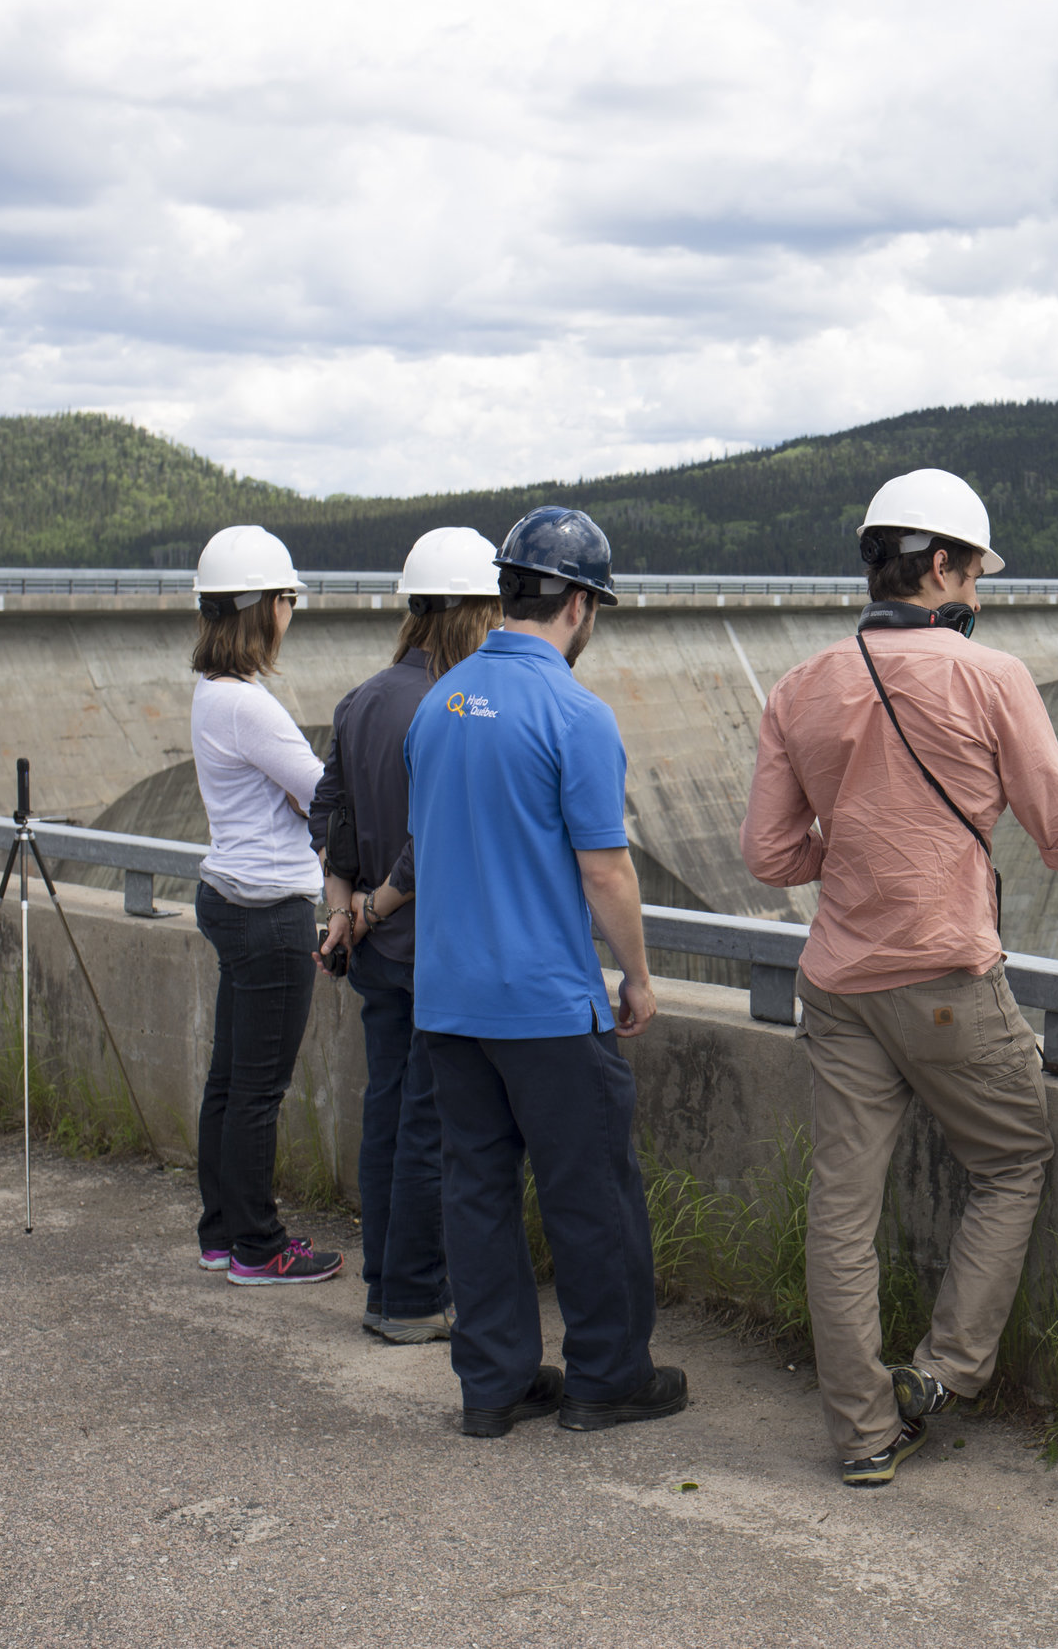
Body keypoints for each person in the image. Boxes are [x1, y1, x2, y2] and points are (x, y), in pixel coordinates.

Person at [739, 468, 1058, 1488]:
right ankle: (939, 1377)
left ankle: (861, 1434)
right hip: (944, 981)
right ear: (938, 563)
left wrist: (851, 850)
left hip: (839, 985)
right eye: (975, 570)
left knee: (841, 1210)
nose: (980, 590)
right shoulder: (990, 678)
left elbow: (771, 856)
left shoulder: (800, 684)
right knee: (1014, 1160)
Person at [402, 505, 689, 1439]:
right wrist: (637, 974)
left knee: (475, 1189)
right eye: (594, 605)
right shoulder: (574, 712)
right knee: (590, 1191)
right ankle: (606, 1377)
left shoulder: (436, 705)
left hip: (448, 1000)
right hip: (546, 1005)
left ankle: (492, 1386)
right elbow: (604, 868)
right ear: (576, 601)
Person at [310, 527, 502, 1344]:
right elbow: (433, 841)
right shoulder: (455, 706)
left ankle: (386, 1285)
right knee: (431, 1125)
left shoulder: (359, 700)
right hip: (434, 953)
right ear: (475, 612)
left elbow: (333, 820)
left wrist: (343, 911)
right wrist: (378, 907)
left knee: (385, 1112)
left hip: (378, 960)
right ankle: (416, 1297)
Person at [187, 525, 342, 1287]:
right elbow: (325, 794)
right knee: (258, 1090)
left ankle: (220, 1230)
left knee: (228, 1078)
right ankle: (259, 1245)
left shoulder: (211, 695)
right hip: (270, 909)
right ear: (263, 608)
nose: (291, 610)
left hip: (227, 895)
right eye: (288, 598)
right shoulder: (251, 706)